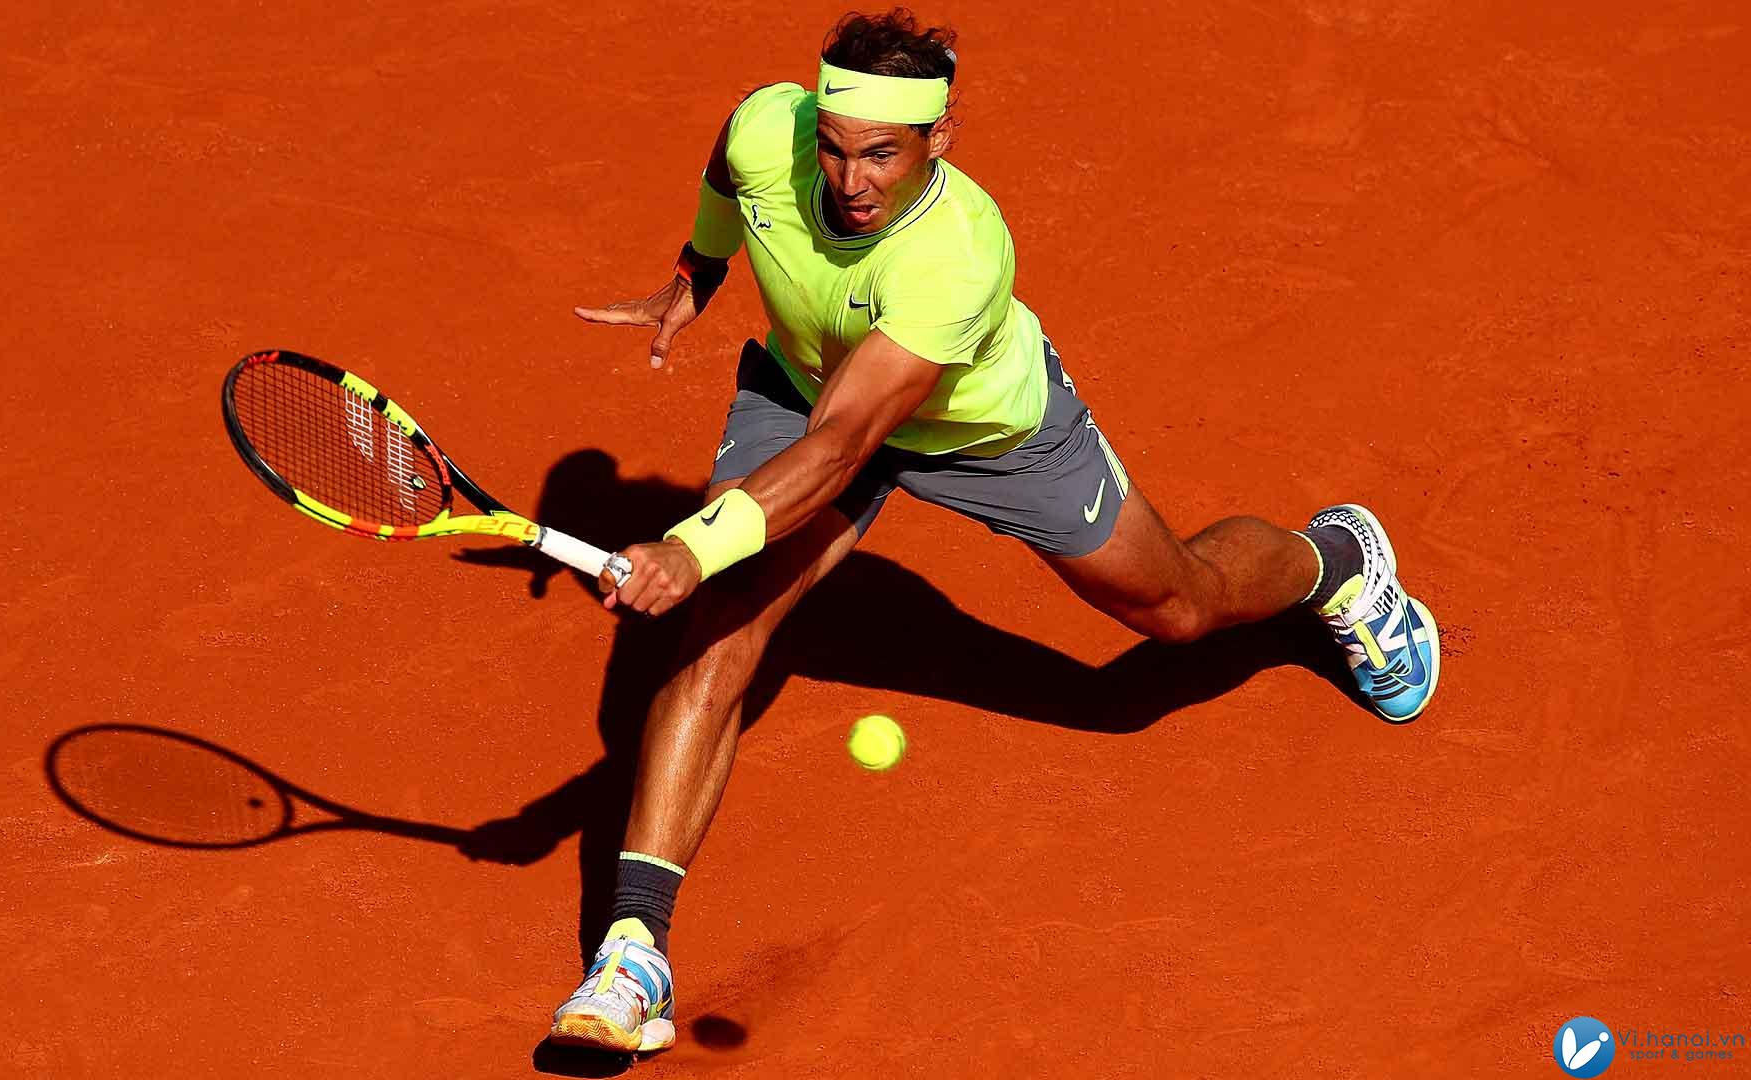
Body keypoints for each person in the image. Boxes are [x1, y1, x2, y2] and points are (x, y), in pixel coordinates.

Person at [546, 8, 1440, 1054]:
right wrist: (700, 269)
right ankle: (632, 956)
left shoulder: (958, 254)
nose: (849, 181)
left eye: (881, 154)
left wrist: (691, 544)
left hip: (980, 427)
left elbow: (841, 451)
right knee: (719, 630)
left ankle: (1340, 564)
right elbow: (730, 165)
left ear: (941, 137)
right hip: (807, 394)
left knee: (1178, 609)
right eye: (833, 151)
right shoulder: (765, 129)